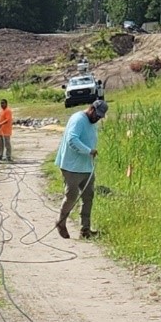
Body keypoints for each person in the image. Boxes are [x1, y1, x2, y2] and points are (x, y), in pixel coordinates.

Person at [54, 98, 107, 239]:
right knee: (71, 196)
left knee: (88, 197)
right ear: (91, 109)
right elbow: (72, 140)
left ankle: (85, 230)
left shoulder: (92, 122)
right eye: (97, 115)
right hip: (71, 166)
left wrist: (90, 152)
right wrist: (88, 150)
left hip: (86, 167)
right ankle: (61, 222)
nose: (98, 119)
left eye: (100, 117)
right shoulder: (78, 119)